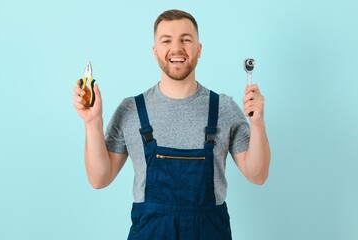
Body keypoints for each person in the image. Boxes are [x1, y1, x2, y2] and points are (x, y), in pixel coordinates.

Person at [73, 9, 270, 240]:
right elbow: (99, 179)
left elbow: (258, 175)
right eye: (166, 40)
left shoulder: (224, 108)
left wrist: (257, 123)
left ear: (199, 49)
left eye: (186, 39)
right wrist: (92, 121)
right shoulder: (131, 110)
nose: (176, 48)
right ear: (155, 51)